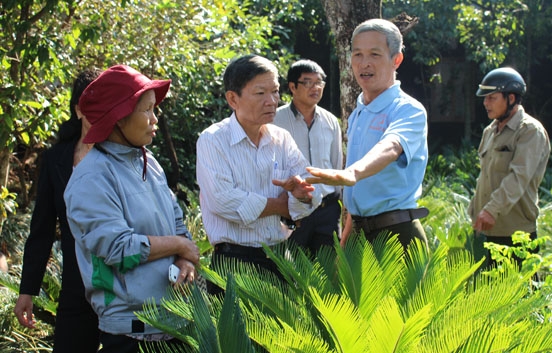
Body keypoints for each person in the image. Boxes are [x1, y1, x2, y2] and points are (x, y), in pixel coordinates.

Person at [64, 65, 200, 353]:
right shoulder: (92, 178)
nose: (155, 118)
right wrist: (180, 245)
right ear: (118, 118)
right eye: (147, 109)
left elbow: (176, 220)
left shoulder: (149, 161)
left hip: (175, 320)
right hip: (131, 332)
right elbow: (119, 250)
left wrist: (185, 259)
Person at [196, 54, 322, 295]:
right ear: (233, 99)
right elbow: (224, 201)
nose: (272, 101)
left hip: (280, 260)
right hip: (234, 264)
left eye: (275, 92)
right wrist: (282, 206)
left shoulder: (281, 138)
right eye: (260, 93)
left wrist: (301, 196)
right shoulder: (213, 140)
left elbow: (311, 192)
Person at [306, 18, 429, 249]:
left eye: (374, 54)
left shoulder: (407, 109)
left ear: (397, 59)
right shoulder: (358, 112)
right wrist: (345, 243)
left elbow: (391, 146)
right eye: (358, 54)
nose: (364, 64)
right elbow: (360, 194)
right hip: (358, 234)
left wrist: (353, 172)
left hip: (397, 236)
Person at [13, 69, 101, 352]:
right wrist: (27, 290)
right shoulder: (56, 159)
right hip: (76, 283)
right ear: (78, 109)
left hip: (122, 280)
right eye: (91, 103)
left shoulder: (123, 154)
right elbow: (41, 230)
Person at [469, 67, 551, 264]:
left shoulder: (530, 131)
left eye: (492, 98)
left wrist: (491, 210)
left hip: (516, 233)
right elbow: (485, 178)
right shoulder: (490, 131)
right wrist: (475, 213)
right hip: (487, 231)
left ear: (511, 98)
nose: (485, 103)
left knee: (520, 293)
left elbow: (519, 177)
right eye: (485, 98)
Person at [273, 59, 343, 254]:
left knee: (327, 272)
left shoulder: (330, 121)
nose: (315, 88)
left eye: (319, 82)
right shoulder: (275, 121)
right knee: (293, 272)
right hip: (292, 211)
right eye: (308, 82)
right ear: (293, 87)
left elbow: (336, 165)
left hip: (327, 210)